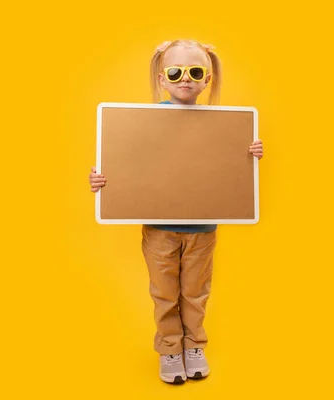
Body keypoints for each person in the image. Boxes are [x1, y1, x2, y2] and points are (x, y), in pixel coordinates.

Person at [89, 39, 264, 383]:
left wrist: (249, 154)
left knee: (195, 294)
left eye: (195, 72)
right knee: (165, 293)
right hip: (159, 229)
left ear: (207, 79)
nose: (185, 79)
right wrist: (101, 179)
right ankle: (170, 348)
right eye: (176, 71)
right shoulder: (143, 123)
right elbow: (127, 162)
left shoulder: (224, 127)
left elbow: (227, 172)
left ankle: (194, 345)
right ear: (161, 77)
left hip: (202, 231)